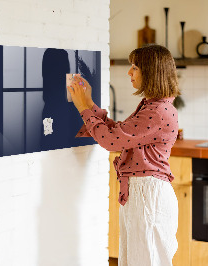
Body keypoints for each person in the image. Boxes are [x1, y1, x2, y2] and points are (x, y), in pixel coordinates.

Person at [68, 44, 180, 266]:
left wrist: (83, 108)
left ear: (151, 72)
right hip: (143, 193)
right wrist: (89, 103)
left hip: (148, 195)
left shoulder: (157, 111)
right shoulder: (153, 106)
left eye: (135, 67)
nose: (129, 72)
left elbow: (111, 141)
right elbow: (119, 133)